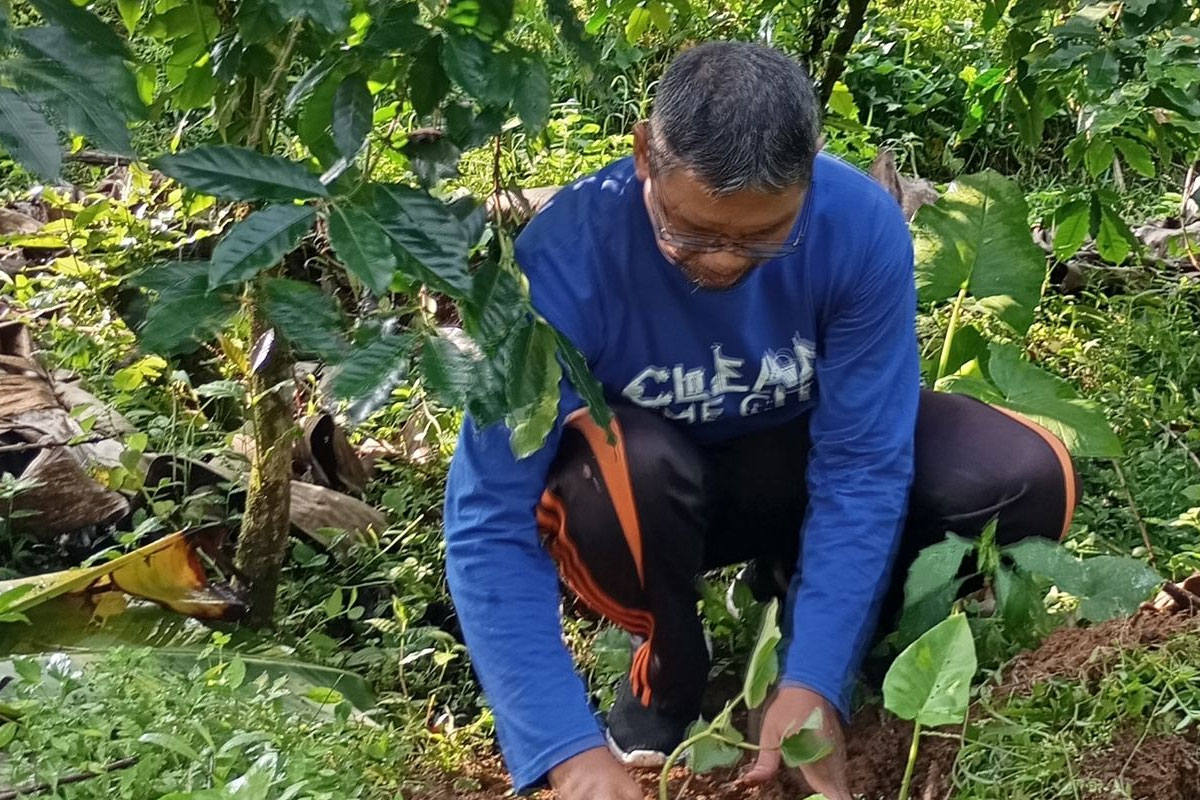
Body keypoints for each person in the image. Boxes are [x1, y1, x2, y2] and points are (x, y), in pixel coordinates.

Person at [443, 41, 1079, 800]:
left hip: (794, 465)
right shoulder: (562, 260)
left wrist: (816, 676)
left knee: (1024, 479)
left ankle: (814, 636)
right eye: (691, 231)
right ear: (645, 154)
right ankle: (669, 673)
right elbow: (489, 515)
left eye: (762, 236)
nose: (720, 262)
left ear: (812, 167)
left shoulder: (857, 229)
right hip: (646, 498)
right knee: (628, 469)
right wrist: (565, 750)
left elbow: (863, 463)